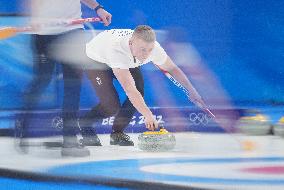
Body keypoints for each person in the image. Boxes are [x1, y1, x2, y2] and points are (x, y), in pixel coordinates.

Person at [79, 25, 207, 146]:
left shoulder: (153, 49)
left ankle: (117, 133)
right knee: (111, 105)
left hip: (128, 58)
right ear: (131, 43)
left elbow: (173, 69)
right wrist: (148, 115)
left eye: (149, 50)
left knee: (139, 91)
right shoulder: (117, 50)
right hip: (96, 61)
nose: (146, 54)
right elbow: (130, 90)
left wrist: (192, 90)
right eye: (143, 50)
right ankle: (85, 124)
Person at [16, 0, 112, 157]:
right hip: (45, 34)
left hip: (72, 30)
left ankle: (70, 140)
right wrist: (33, 17)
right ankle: (23, 127)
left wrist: (98, 8)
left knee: (73, 86)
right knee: (41, 82)